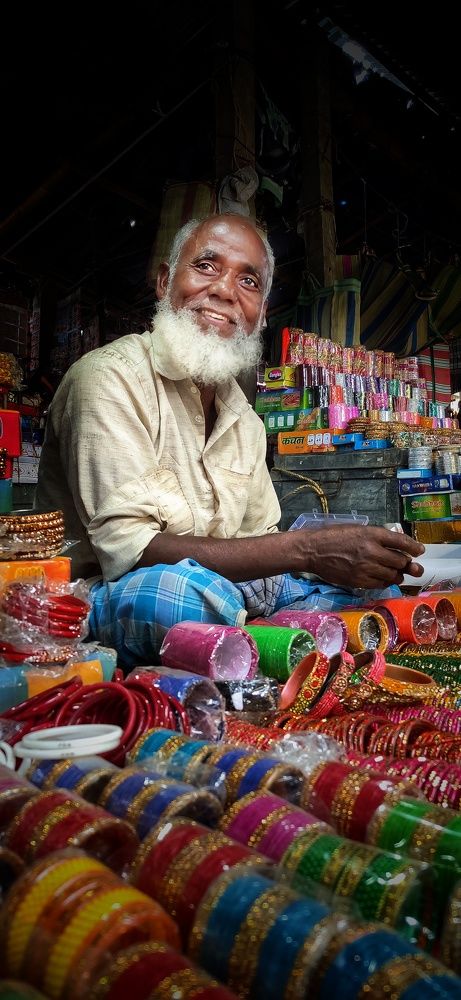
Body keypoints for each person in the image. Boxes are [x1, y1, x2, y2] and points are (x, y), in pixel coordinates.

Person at [35, 213, 424, 667]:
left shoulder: (244, 420)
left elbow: (258, 541)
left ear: (260, 315)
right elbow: (132, 552)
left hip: (228, 591)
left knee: (374, 586)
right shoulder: (107, 378)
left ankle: (253, 640)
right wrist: (310, 550)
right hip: (114, 595)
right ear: (164, 282)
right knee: (172, 597)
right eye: (205, 266)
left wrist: (350, 557)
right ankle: (279, 637)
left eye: (249, 281)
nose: (224, 291)